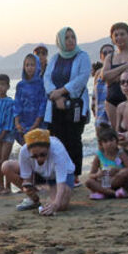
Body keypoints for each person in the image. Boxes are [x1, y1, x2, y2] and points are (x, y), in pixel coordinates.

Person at [44, 27, 92, 176]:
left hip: (74, 105)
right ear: (60, 41)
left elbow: (82, 79)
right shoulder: (55, 58)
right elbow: (47, 78)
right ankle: (61, 173)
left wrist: (62, 92)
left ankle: (75, 175)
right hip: (55, 106)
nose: (70, 40)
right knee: (57, 141)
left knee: (73, 140)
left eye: (72, 37)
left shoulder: (82, 56)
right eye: (67, 38)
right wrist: (56, 95)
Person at [0, 128, 75, 216]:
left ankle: (49, 193)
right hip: (39, 173)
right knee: (6, 166)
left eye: (43, 154)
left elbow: (61, 182)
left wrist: (56, 204)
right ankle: (33, 199)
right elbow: (26, 178)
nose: (39, 158)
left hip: (62, 175)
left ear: (48, 148)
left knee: (61, 205)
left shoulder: (57, 152)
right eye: (34, 156)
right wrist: (27, 188)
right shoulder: (24, 151)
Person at [85, 126, 128, 199]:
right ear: (101, 144)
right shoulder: (99, 156)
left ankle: (103, 192)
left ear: (116, 141)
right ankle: (113, 193)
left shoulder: (120, 154)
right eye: (105, 142)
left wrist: (117, 170)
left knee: (124, 174)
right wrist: (98, 175)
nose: (109, 144)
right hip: (104, 182)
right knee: (89, 182)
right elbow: (91, 175)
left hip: (117, 181)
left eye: (111, 140)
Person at [14, 54, 48, 144]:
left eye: (32, 65)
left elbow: (43, 105)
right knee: (26, 147)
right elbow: (17, 104)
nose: (29, 68)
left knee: (37, 147)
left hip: (38, 121)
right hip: (23, 122)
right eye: (27, 65)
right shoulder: (20, 85)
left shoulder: (42, 84)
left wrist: (35, 124)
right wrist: (17, 123)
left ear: (37, 66)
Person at [92, 44, 115, 127]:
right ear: (101, 56)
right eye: (105, 53)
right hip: (100, 116)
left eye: (111, 52)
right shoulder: (98, 73)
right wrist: (95, 112)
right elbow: (94, 95)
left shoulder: (118, 70)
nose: (108, 55)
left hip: (114, 115)